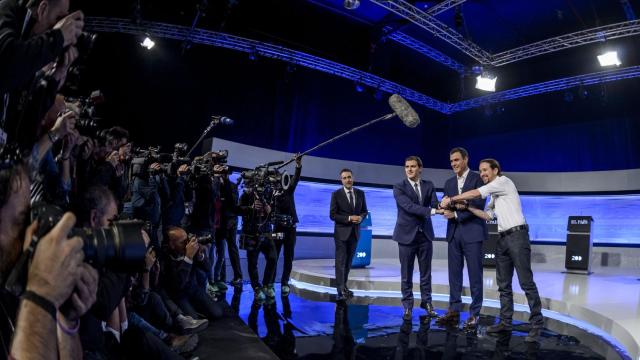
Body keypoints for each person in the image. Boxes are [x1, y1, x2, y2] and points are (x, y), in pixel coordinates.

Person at [449, 158, 544, 342]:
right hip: (502, 239)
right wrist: (468, 207)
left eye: (485, 170)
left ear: (495, 170)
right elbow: (488, 215)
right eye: (481, 171)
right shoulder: (495, 193)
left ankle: (537, 325)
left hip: (517, 237)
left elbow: (477, 193)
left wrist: (452, 199)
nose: (482, 174)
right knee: (503, 285)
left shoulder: (503, 182)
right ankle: (505, 323)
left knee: (526, 283)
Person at [437, 147, 487, 329]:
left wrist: (456, 213)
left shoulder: (477, 178)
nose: (453, 164)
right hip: (453, 234)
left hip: (472, 232)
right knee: (454, 275)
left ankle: (475, 314)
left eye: (456, 160)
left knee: (475, 275)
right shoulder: (449, 182)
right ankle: (454, 310)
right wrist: (443, 204)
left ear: (466, 159)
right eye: (451, 161)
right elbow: (444, 202)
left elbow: (478, 203)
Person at [392, 156, 442, 321]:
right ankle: (407, 306)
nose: (410, 169)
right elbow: (409, 207)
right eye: (407, 166)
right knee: (406, 273)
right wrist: (433, 212)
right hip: (406, 236)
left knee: (426, 273)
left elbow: (435, 203)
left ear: (420, 168)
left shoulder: (429, 185)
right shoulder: (399, 187)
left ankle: (427, 303)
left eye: (413, 166)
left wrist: (444, 205)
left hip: (425, 235)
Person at [329, 168, 368, 301]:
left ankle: (344, 286)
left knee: (348, 262)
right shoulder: (336, 194)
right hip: (341, 233)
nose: (348, 180)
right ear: (341, 180)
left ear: (353, 178)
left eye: (349, 177)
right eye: (345, 178)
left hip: (355, 233)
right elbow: (333, 215)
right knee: (340, 262)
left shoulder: (360, 193)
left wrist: (362, 218)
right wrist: (350, 218)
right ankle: (340, 290)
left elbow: (364, 211)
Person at [272, 154, 302, 296]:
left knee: (288, 256)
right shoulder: (270, 194)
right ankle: (270, 282)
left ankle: (284, 282)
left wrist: (298, 165)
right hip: (277, 229)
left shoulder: (288, 190)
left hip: (290, 229)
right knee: (274, 255)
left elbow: (295, 179)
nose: (278, 181)